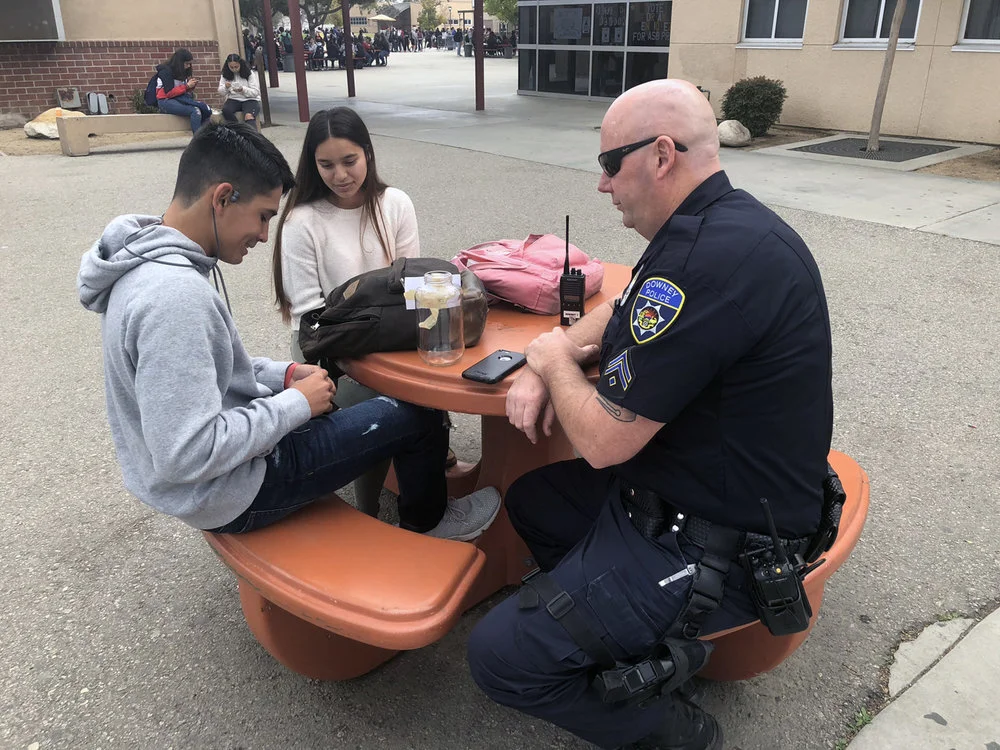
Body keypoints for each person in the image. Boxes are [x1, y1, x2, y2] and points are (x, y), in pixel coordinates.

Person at [466, 79, 834, 750]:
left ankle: (680, 732)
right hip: (695, 495)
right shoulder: (716, 223)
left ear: (661, 155)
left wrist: (548, 363)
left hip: (720, 544)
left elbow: (606, 441)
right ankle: (627, 645)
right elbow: (632, 299)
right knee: (535, 500)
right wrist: (563, 345)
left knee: (497, 657)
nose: (601, 184)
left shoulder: (704, 260)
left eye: (610, 163)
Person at [77, 121, 501, 542]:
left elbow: (215, 367)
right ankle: (429, 523)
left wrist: (281, 377)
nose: (264, 236)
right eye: (262, 217)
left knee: (382, 411)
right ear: (222, 197)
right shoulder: (174, 298)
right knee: (418, 412)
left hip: (226, 469)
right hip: (236, 489)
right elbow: (186, 455)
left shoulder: (145, 260)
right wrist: (295, 404)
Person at [272, 108, 425, 519]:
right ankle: (371, 511)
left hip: (389, 334)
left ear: (368, 154)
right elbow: (310, 315)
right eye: (326, 164)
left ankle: (427, 483)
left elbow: (411, 283)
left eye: (349, 161)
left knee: (431, 383)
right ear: (312, 164)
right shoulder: (301, 221)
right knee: (394, 406)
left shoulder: (395, 203)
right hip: (327, 350)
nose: (339, 174)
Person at [154, 48, 212, 135]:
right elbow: (169, 93)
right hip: (165, 101)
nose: (189, 66)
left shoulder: (182, 72)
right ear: (180, 63)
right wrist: (186, 86)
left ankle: (206, 135)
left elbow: (181, 90)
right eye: (187, 63)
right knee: (195, 111)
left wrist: (190, 87)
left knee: (204, 109)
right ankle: (198, 139)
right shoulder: (166, 72)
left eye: (190, 63)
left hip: (179, 98)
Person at [217, 54, 261, 126]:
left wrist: (243, 89)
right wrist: (225, 87)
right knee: (226, 110)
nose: (234, 69)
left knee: (249, 116)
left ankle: (251, 135)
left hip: (250, 99)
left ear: (240, 64)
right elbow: (221, 92)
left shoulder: (249, 73)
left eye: (236, 67)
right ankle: (238, 129)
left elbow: (256, 92)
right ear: (228, 65)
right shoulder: (225, 74)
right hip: (234, 99)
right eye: (231, 67)